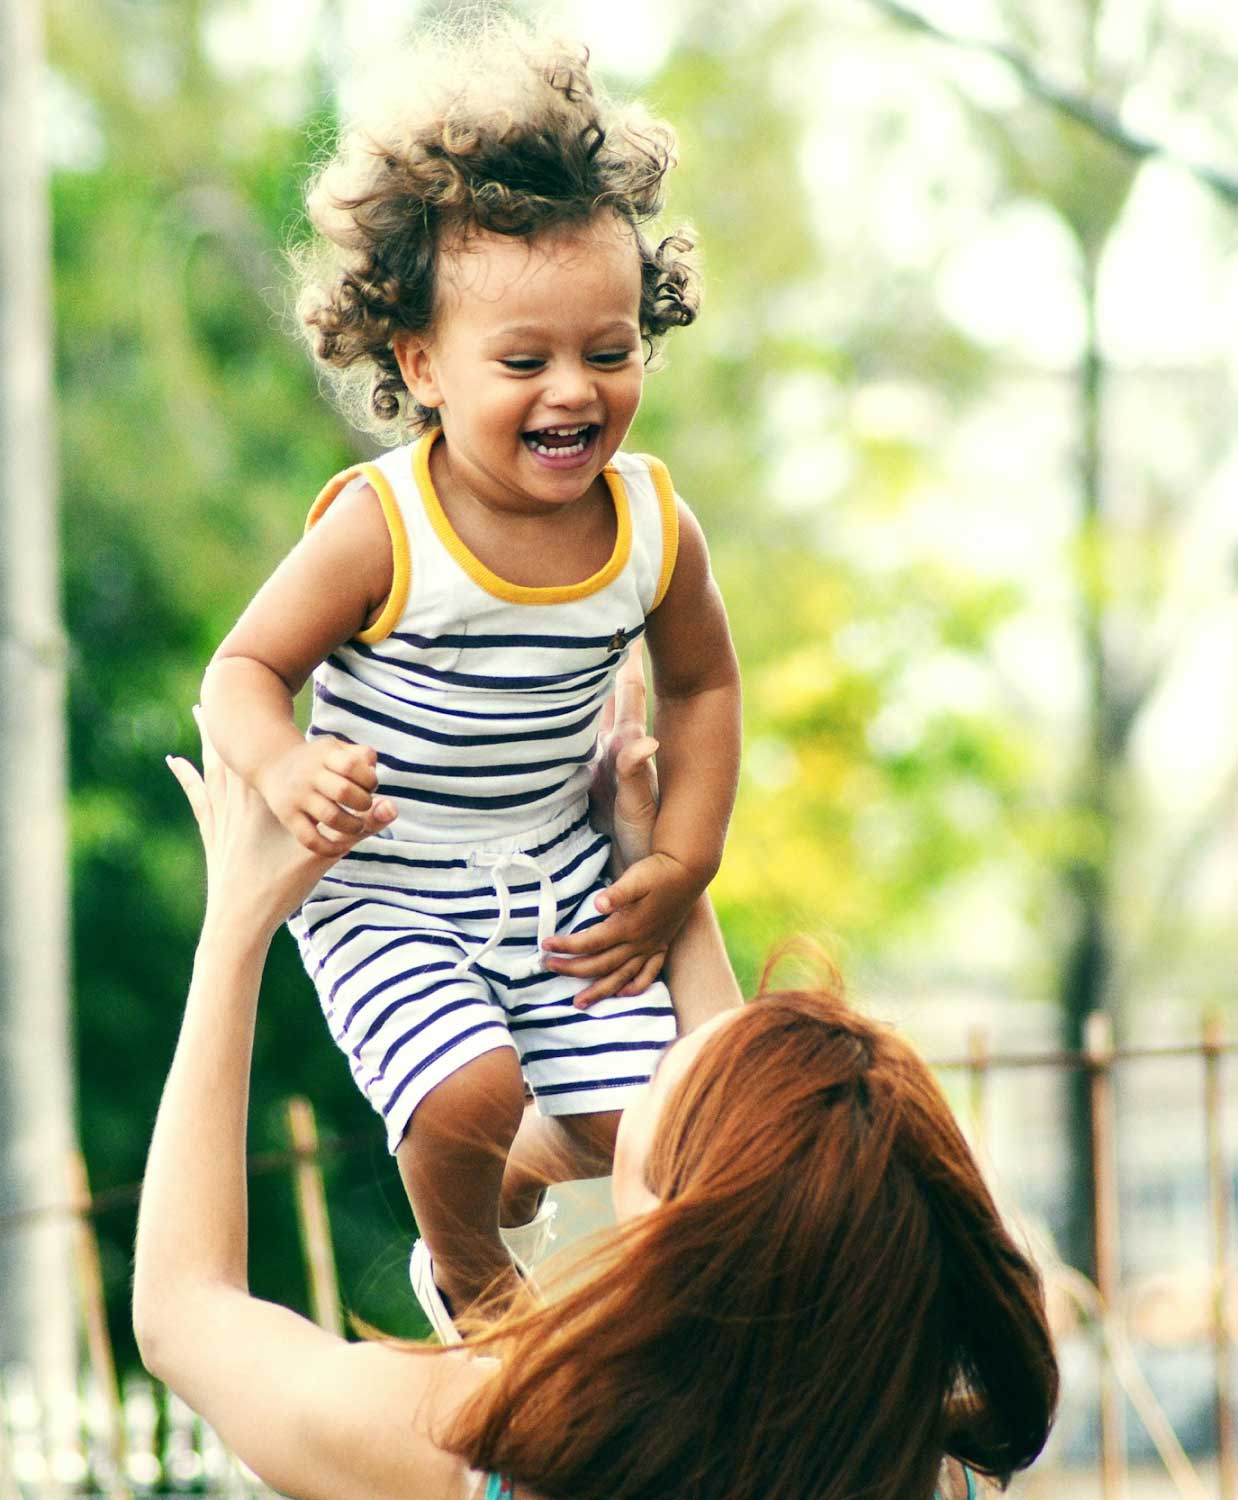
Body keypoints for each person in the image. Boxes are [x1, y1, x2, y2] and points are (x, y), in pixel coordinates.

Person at [136, 688, 1057, 1500]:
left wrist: (236, 927)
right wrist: (654, 867)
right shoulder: (921, 1467)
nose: (659, 1050)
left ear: (670, 1227)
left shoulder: (479, 1450)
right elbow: (751, 1162)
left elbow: (186, 1314)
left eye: (660, 1077)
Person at [197, 20, 742, 1336]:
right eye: (524, 362)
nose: (573, 391)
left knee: (649, 1131)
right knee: (463, 1092)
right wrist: (284, 764)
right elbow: (241, 670)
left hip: (554, 871)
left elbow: (706, 691)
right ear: (421, 366)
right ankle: (472, 1281)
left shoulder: (653, 526)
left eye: (608, 352)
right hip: (388, 883)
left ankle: (515, 1169)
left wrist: (678, 863)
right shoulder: (384, 529)